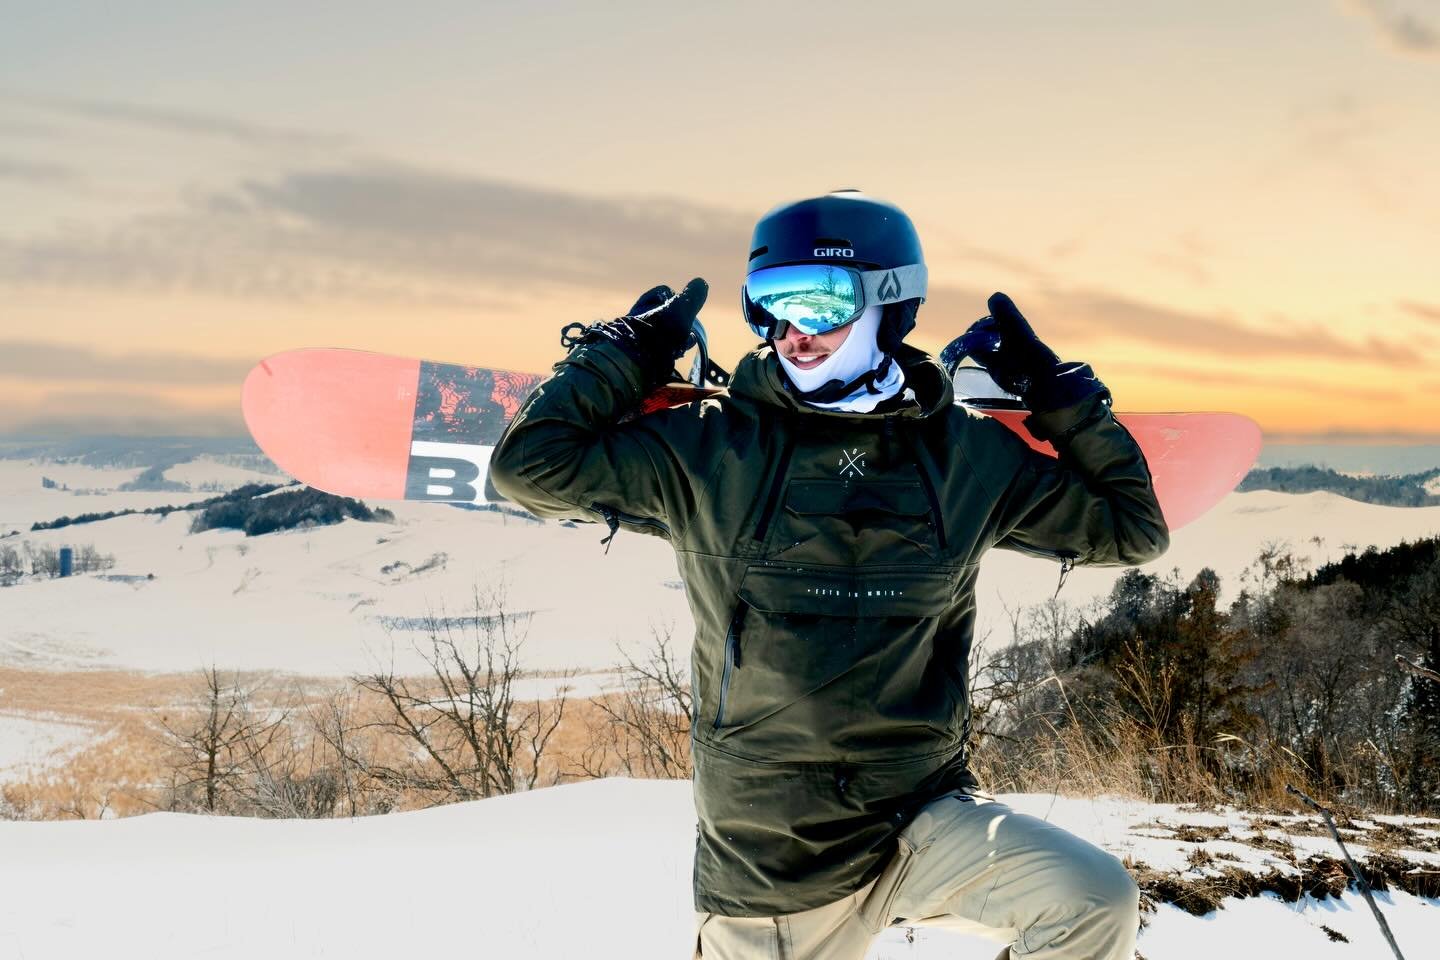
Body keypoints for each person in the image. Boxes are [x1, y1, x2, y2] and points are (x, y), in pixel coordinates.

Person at [489, 190, 1169, 960]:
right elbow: (528, 468)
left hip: (921, 815)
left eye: (818, 303)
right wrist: (623, 353)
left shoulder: (961, 455)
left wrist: (1060, 396)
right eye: (771, 306)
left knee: (1092, 900)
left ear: (889, 303)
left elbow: (1130, 528)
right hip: (773, 856)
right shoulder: (710, 448)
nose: (791, 333)